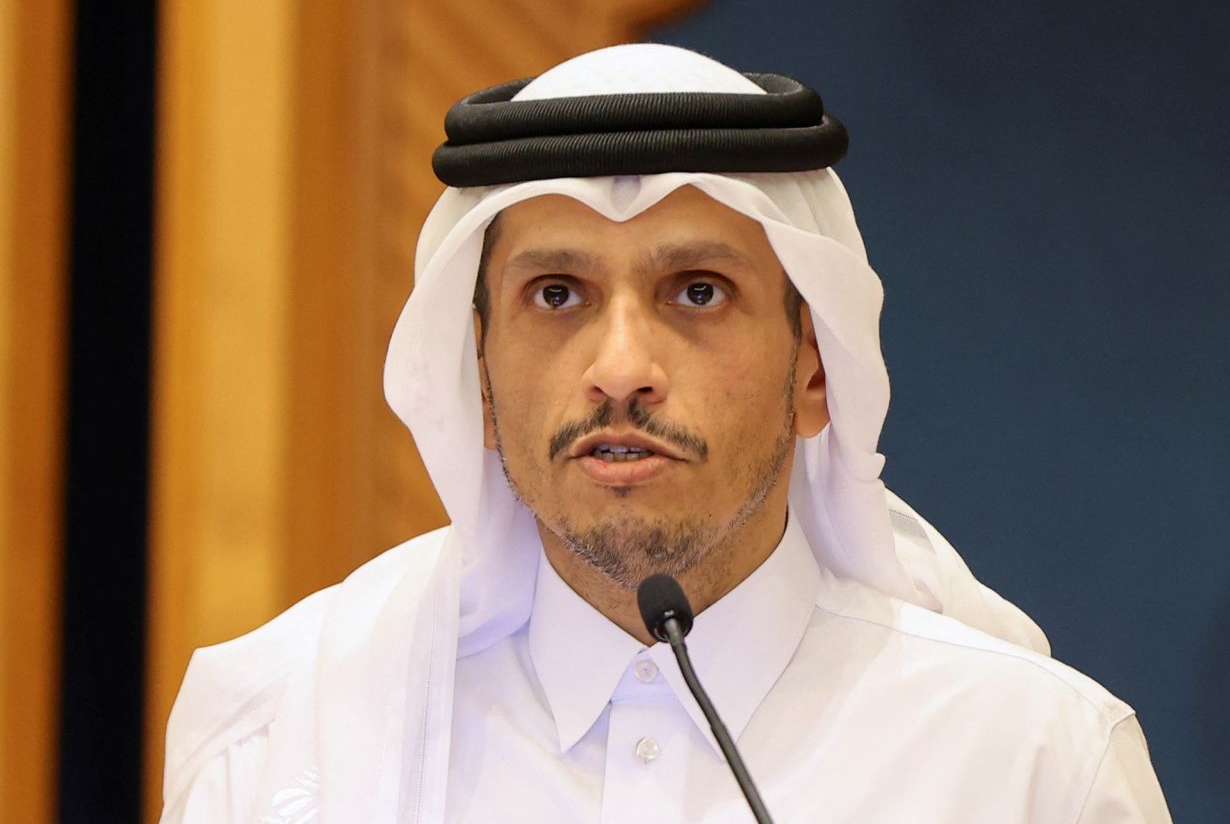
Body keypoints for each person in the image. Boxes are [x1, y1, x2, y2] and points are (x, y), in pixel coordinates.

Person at [160, 44, 1171, 822]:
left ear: (812, 366)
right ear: (477, 371)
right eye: (556, 294)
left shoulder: (1029, 766)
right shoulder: (286, 742)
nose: (619, 366)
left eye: (697, 290)